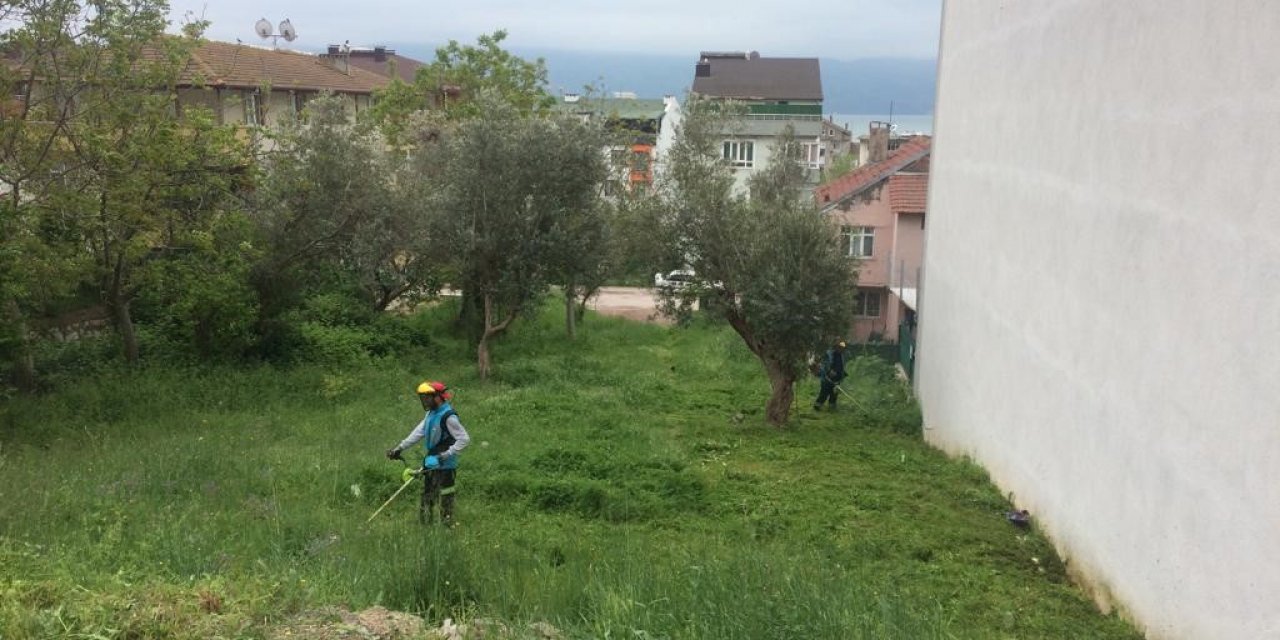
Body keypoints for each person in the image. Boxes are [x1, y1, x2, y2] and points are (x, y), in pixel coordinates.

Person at [386, 381, 471, 525]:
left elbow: (464, 439)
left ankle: (447, 525)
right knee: (427, 496)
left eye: (427, 397)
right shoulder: (430, 414)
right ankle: (426, 525)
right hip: (432, 461)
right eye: (423, 398)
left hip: (445, 465)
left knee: (445, 496)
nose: (425, 401)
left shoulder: (448, 416)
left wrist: (446, 454)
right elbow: (418, 432)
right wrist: (399, 448)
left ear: (438, 397)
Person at [813, 340, 847, 411]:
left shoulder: (842, 356)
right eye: (840, 347)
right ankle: (817, 406)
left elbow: (842, 366)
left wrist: (842, 375)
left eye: (842, 348)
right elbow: (824, 364)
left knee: (834, 394)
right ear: (836, 347)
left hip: (837, 378)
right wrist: (829, 371)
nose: (841, 349)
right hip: (827, 378)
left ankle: (832, 407)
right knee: (824, 393)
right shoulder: (829, 354)